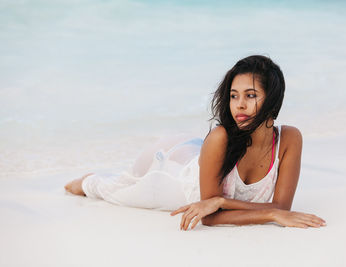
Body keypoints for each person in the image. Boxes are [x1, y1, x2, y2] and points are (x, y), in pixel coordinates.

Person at [65, 55, 326, 231]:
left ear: (272, 100)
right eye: (234, 96)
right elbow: (209, 216)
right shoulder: (221, 137)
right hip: (170, 174)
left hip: (192, 154)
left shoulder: (290, 138)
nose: (240, 105)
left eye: (251, 95)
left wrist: (221, 201)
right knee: (108, 190)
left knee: (120, 184)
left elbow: (281, 207)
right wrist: (267, 213)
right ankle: (87, 180)